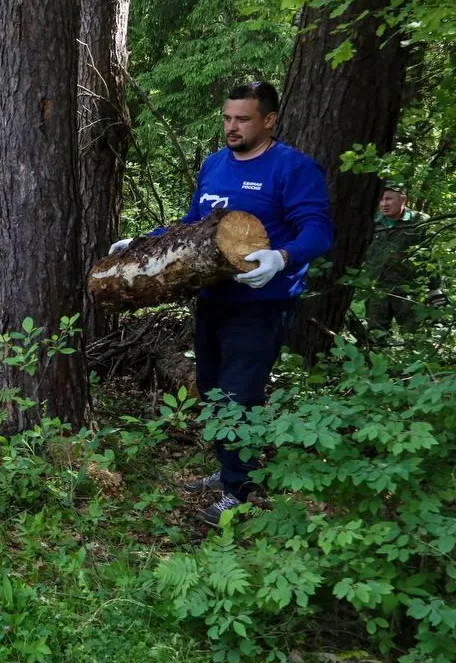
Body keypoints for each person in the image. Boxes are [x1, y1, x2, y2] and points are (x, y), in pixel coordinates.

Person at [110, 81, 333, 526]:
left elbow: (319, 230)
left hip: (263, 301)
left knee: (239, 394)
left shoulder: (291, 167)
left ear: (269, 120)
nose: (232, 127)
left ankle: (241, 492)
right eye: (228, 118)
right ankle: (232, 468)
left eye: (243, 119)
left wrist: (282, 257)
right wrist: (145, 244)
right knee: (212, 389)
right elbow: (195, 226)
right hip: (213, 297)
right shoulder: (214, 165)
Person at [362, 183, 437, 337]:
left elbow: (431, 259)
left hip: (409, 291)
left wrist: (435, 289)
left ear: (403, 199)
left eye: (389, 199)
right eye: (381, 200)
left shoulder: (420, 221)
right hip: (377, 290)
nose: (384, 204)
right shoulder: (372, 222)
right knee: (375, 336)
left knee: (414, 338)